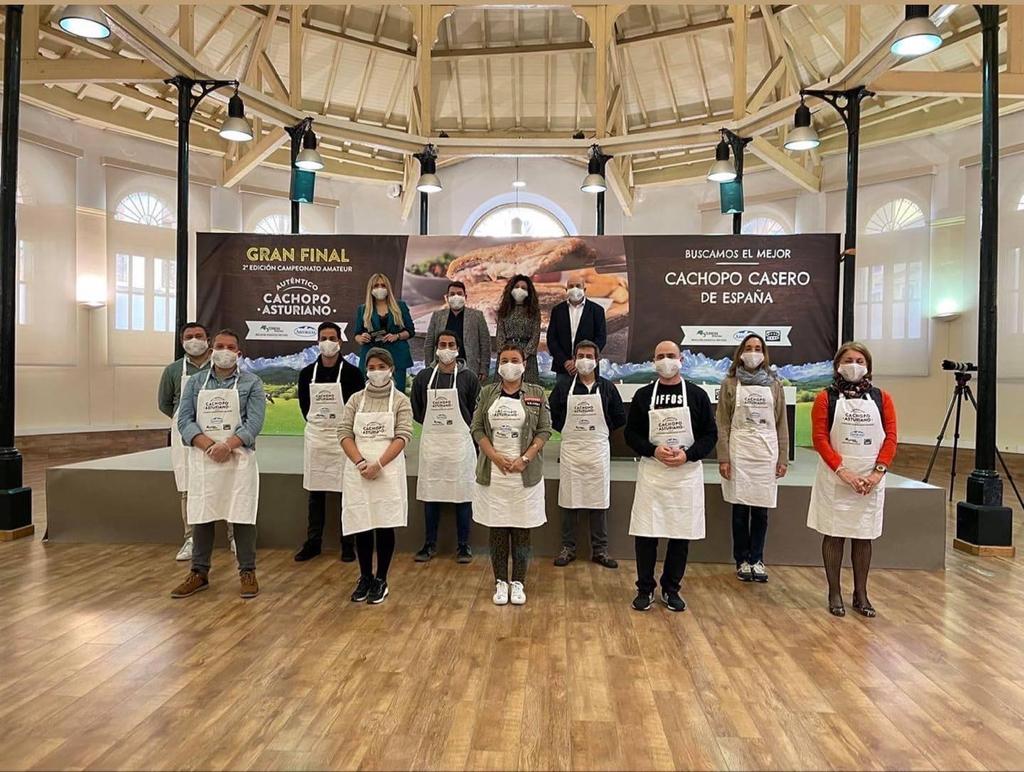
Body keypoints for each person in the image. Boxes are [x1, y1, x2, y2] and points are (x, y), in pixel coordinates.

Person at [171, 329, 266, 599]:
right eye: (220, 346)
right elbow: (184, 420)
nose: (225, 351)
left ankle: (247, 571)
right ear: (212, 350)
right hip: (204, 459)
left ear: (239, 352)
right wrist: (208, 445)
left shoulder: (252, 383)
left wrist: (228, 445)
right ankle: (198, 572)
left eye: (230, 347)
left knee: (242, 514)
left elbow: (254, 423)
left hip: (239, 459)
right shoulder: (196, 382)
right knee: (202, 514)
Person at [625, 340, 717, 613]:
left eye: (671, 356)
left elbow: (710, 435)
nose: (666, 361)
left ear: (681, 360)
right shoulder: (643, 395)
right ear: (654, 362)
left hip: (685, 475)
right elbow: (631, 434)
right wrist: (653, 449)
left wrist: (688, 455)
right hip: (653, 473)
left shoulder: (697, 395)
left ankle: (671, 588)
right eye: (660, 356)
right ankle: (645, 589)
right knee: (646, 533)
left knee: (680, 533)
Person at [807, 342, 897, 618]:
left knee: (863, 535)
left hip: (870, 479)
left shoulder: (882, 399)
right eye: (848, 360)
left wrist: (876, 473)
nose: (854, 365)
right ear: (837, 365)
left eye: (859, 360)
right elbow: (820, 438)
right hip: (837, 477)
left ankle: (861, 592)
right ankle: (834, 591)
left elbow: (891, 437)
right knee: (834, 534)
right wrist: (842, 471)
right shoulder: (826, 398)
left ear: (868, 365)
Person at [471, 344, 551, 606]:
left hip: (524, 474)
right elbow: (477, 428)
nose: (509, 365)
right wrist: (494, 455)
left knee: (521, 529)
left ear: (524, 364)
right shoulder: (487, 393)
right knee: (497, 528)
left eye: (514, 360)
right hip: (494, 472)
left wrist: (525, 458)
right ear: (498, 364)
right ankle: (500, 582)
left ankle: (518, 582)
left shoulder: (537, 393)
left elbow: (544, 430)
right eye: (504, 360)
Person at [340, 347, 413, 605]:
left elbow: (403, 435)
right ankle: (364, 577)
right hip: (358, 469)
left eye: (381, 366)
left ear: (391, 369)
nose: (376, 371)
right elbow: (344, 433)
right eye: (371, 367)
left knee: (384, 522)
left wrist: (378, 464)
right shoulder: (355, 400)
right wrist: (360, 462)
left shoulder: (401, 400)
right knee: (361, 522)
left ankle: (381, 579)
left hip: (387, 470)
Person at [716, 333, 789, 583]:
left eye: (758, 348)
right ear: (740, 352)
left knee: (761, 510)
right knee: (739, 509)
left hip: (766, 453)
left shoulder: (775, 384)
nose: (753, 352)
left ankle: (757, 558)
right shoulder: (730, 384)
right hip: (739, 451)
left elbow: (781, 424)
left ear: (764, 353)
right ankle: (741, 560)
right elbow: (723, 423)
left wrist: (783, 458)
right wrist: (724, 457)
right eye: (748, 348)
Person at [549, 339, 625, 569]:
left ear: (597, 360)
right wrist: (568, 429)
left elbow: (619, 416)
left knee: (598, 501)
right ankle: (568, 548)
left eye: (589, 356)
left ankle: (600, 550)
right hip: (572, 450)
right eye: (580, 355)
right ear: (574, 359)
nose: (584, 360)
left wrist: (600, 431)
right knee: (569, 501)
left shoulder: (608, 387)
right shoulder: (563, 388)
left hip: (597, 451)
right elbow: (553, 414)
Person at [294, 322, 365, 563]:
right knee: (316, 493)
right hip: (316, 438)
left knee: (348, 492)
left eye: (332, 338)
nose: (327, 342)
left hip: (344, 439)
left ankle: (348, 543)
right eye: (323, 338)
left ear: (340, 342)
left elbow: (357, 407)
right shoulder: (306, 374)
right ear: (317, 342)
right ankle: (313, 542)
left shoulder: (353, 374)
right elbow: (305, 407)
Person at [411, 330, 481, 563]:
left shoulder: (468, 377)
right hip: (433, 445)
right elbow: (418, 410)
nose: (446, 348)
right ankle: (429, 544)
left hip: (460, 445)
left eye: (451, 344)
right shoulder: (423, 377)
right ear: (436, 348)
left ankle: (464, 546)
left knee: (463, 495)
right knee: (431, 496)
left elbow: (475, 410)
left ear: (458, 349)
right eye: (442, 344)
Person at [157, 321, 222, 562]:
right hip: (184, 434)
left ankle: (234, 536)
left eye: (199, 336)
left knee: (226, 482)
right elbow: (165, 404)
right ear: (182, 341)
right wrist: (185, 424)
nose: (194, 340)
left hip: (218, 431)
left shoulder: (221, 365)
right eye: (189, 336)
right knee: (187, 487)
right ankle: (190, 538)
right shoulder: (173, 371)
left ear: (208, 339)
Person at [353, 273, 415, 391]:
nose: (380, 288)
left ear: (388, 288)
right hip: (371, 357)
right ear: (370, 289)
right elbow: (357, 334)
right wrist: (361, 338)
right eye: (376, 286)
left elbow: (410, 331)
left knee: (397, 393)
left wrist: (397, 336)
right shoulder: (363, 309)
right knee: (370, 394)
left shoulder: (400, 306)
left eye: (383, 285)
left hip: (397, 357)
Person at [422, 281, 491, 383]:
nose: (456, 296)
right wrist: (429, 367)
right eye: (452, 294)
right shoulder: (437, 316)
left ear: (465, 297)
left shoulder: (477, 316)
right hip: (441, 368)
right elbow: (429, 343)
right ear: (447, 297)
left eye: (459, 294)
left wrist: (484, 369)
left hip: (469, 368)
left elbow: (485, 344)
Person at [546, 275, 607, 383]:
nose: (574, 289)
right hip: (563, 368)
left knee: (588, 399)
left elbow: (601, 338)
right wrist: (565, 362)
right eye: (571, 286)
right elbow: (551, 339)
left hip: (588, 367)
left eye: (578, 286)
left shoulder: (597, 310)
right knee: (562, 399)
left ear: (584, 289)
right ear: (566, 290)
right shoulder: (557, 310)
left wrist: (581, 360)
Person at [494, 275, 541, 384]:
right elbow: (500, 334)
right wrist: (505, 354)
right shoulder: (504, 310)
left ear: (529, 292)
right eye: (517, 287)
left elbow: (535, 336)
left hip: (527, 357)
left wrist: (523, 356)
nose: (519, 290)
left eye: (523, 288)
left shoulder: (534, 311)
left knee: (527, 390)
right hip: (506, 353)